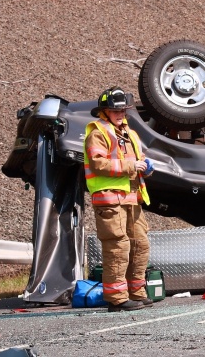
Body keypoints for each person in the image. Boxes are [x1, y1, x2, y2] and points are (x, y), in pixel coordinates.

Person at [85, 87, 155, 312]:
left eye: (123, 110)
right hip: (110, 202)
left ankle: (137, 292)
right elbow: (98, 164)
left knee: (139, 245)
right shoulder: (97, 132)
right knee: (118, 247)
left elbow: (139, 160)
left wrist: (147, 167)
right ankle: (117, 299)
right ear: (104, 112)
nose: (120, 114)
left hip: (132, 200)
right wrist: (130, 166)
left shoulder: (130, 134)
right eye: (115, 111)